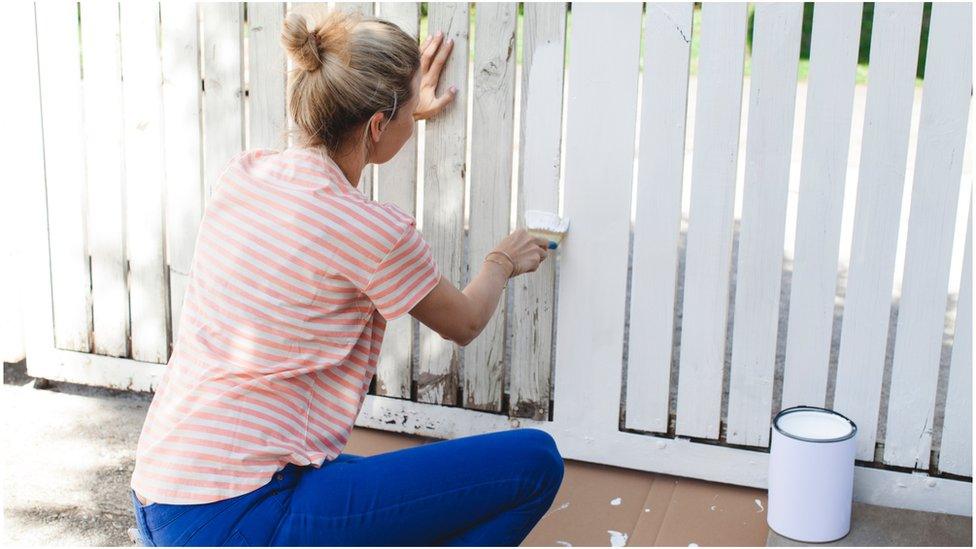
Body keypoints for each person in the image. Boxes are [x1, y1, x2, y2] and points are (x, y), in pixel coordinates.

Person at [129, 9, 564, 547]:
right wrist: (501, 260)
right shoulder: (372, 232)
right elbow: (467, 322)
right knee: (535, 463)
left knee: (423, 500)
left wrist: (401, 113)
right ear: (379, 124)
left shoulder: (244, 175)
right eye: (404, 110)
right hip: (238, 516)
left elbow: (328, 164)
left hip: (163, 496)